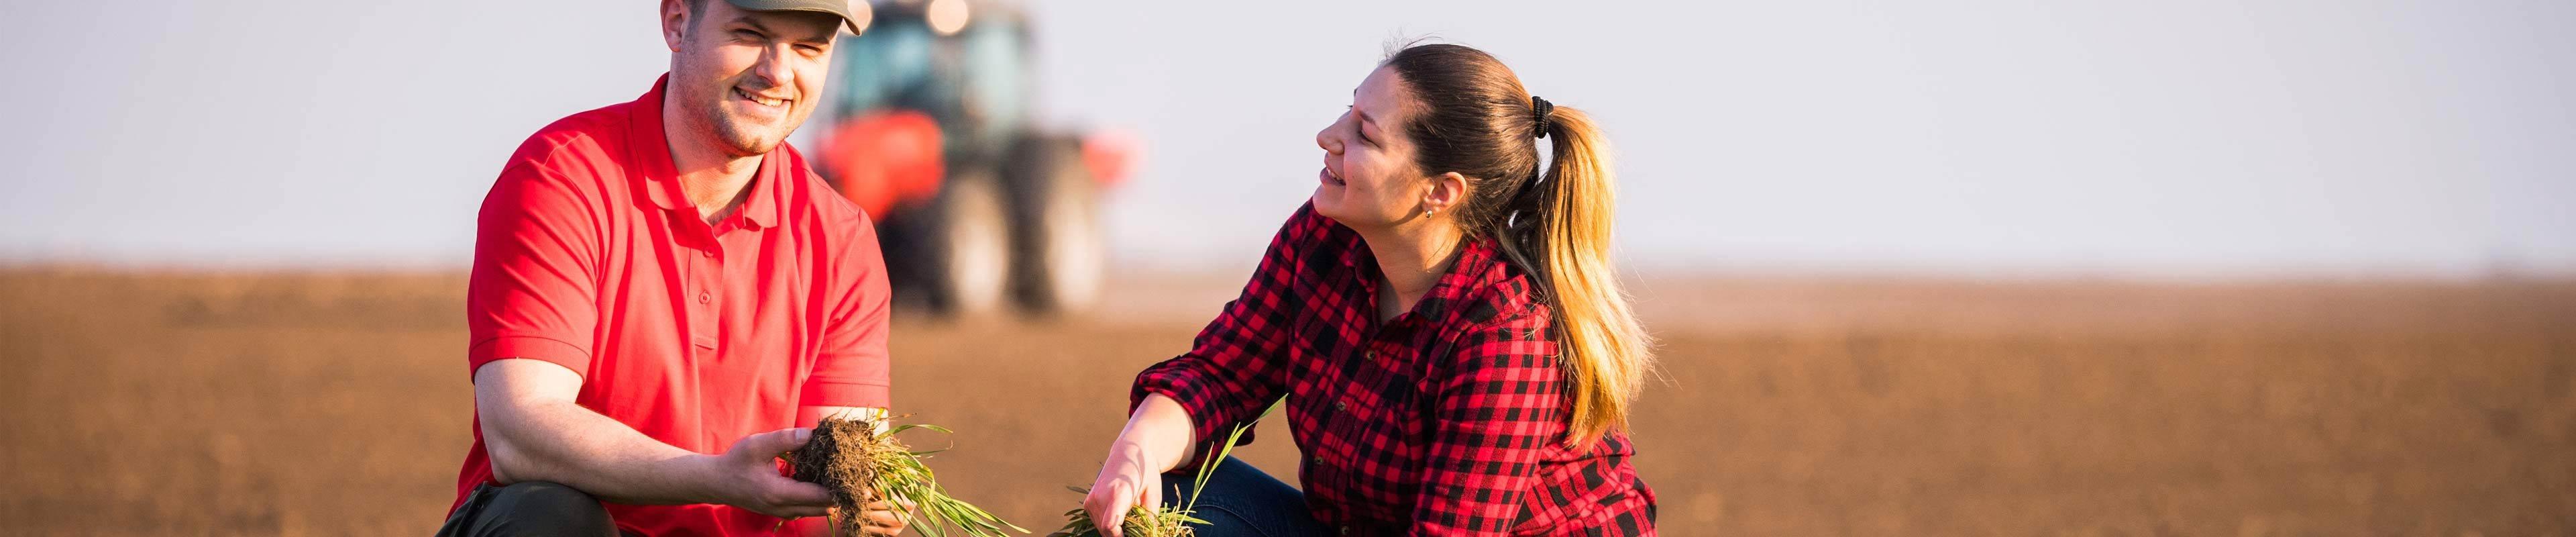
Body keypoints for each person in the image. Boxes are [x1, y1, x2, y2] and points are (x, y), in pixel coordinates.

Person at [1081, 42, 1660, 536]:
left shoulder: (1504, 334)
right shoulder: (1323, 238)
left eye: (1365, 134)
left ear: (1440, 192)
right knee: (1166, 493)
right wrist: (1136, 451)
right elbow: (1222, 375)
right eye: (1346, 111)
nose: (1327, 136)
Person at [437, 1, 912, 535]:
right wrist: (715, 478)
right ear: (677, 22)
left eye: (809, 47)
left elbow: (843, 460)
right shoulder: (561, 180)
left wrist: (860, 509)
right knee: (552, 518)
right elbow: (519, 433)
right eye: (750, 33)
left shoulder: (841, 237)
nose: (778, 71)